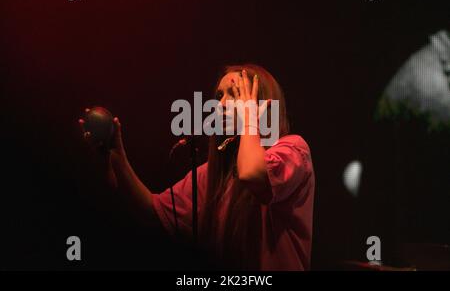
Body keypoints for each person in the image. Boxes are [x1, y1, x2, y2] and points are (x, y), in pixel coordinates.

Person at [80, 64, 315, 270]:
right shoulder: (212, 174)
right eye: (219, 96)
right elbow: (153, 212)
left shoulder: (293, 151)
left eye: (234, 94)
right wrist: (117, 158)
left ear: (260, 104)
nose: (220, 105)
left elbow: (252, 172)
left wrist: (249, 118)